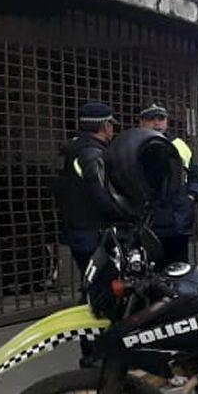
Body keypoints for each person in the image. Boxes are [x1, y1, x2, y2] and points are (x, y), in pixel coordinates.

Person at [54, 102, 125, 278]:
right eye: (110, 125)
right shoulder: (92, 154)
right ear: (104, 126)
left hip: (76, 227)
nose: (112, 130)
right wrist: (121, 214)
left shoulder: (71, 149)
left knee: (92, 282)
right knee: (103, 286)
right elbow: (100, 193)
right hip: (92, 231)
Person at [138, 103, 198, 265]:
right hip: (149, 221)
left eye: (161, 118)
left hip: (177, 221)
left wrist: (191, 196)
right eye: (151, 119)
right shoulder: (136, 145)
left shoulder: (179, 145)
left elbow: (195, 174)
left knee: (179, 269)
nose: (157, 123)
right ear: (141, 122)